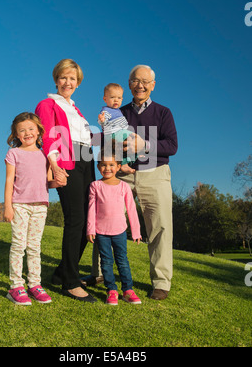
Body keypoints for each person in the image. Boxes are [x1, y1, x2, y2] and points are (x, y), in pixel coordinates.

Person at [88, 65, 178, 301]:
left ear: (153, 85)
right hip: (122, 175)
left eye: (145, 81)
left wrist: (145, 146)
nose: (141, 85)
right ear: (129, 85)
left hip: (155, 173)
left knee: (159, 227)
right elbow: (107, 143)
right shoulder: (118, 111)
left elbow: (172, 146)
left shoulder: (163, 113)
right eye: (136, 81)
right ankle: (99, 274)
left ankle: (160, 282)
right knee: (103, 219)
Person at [35, 59, 97, 303]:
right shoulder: (47, 103)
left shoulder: (77, 110)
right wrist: (54, 165)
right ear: (56, 80)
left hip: (86, 160)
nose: (68, 82)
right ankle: (70, 283)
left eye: (72, 79)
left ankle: (62, 273)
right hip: (66, 162)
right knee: (76, 219)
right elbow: (48, 136)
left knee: (88, 219)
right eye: (63, 77)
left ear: (78, 83)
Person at [4, 112, 64, 305]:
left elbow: (47, 182)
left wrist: (58, 182)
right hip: (20, 205)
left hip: (40, 206)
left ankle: (35, 285)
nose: (27, 133)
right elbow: (9, 181)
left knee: (34, 247)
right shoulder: (14, 153)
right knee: (18, 245)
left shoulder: (44, 155)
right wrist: (8, 207)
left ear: (38, 131)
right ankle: (15, 286)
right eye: (22, 130)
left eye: (31, 129)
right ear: (16, 135)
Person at [87, 146, 142, 305]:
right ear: (98, 167)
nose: (107, 168)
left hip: (120, 232)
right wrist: (90, 229)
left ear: (118, 167)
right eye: (103, 165)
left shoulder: (124, 187)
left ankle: (128, 290)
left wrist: (136, 232)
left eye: (111, 165)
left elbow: (131, 210)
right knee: (106, 261)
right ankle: (111, 290)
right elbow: (91, 209)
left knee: (122, 260)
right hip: (101, 232)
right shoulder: (95, 186)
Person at [98, 83, 138, 170]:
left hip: (121, 131)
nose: (116, 100)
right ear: (105, 99)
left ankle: (134, 156)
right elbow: (104, 121)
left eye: (119, 98)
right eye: (112, 97)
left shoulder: (118, 110)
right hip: (114, 133)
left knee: (134, 139)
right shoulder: (107, 110)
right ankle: (123, 164)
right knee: (121, 147)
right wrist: (102, 120)